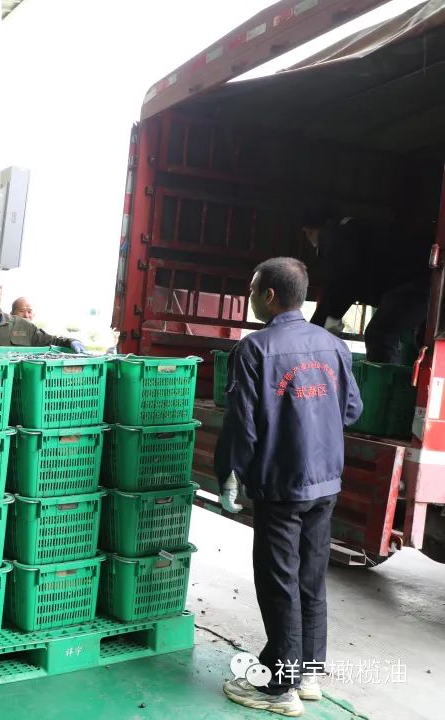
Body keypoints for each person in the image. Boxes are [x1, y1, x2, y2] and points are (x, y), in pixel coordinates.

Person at [216, 257, 362, 716]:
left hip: (280, 484)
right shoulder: (333, 346)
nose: (250, 298)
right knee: (310, 579)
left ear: (270, 295)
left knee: (279, 583)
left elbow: (243, 426)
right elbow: (352, 410)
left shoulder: (254, 349)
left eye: (252, 290)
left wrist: (230, 475)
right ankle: (309, 674)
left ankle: (280, 687)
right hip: (325, 481)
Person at [302, 207, 431, 364]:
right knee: (425, 341)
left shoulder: (336, 237)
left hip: (416, 283)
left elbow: (343, 282)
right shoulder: (353, 229)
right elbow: (337, 286)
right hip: (427, 278)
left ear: (309, 231)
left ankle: (385, 380)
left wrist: (328, 321)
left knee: (379, 335)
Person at [0, 269, 86, 353]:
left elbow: (52, 341)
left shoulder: (24, 326)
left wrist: (71, 342)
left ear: (1, 290)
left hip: (15, 393)